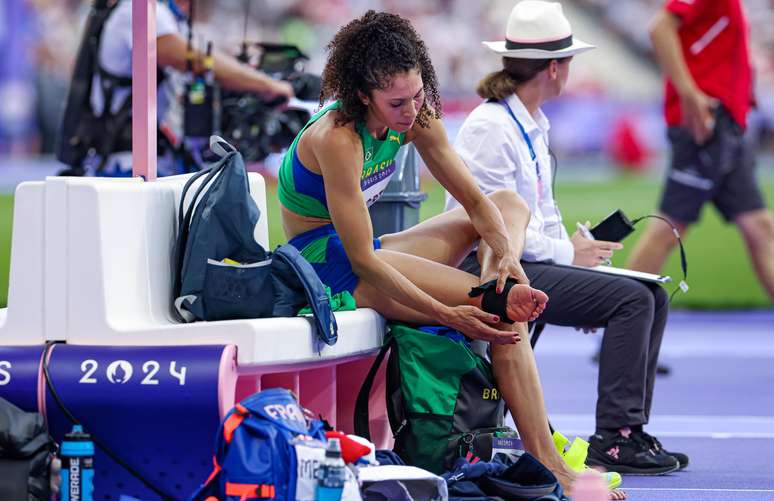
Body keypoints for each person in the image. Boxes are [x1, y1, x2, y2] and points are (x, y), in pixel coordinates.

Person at [275, 9, 617, 497]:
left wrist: (507, 258)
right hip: (326, 266)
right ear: (360, 96)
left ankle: (499, 282)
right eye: (396, 103)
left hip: (367, 251)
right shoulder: (337, 140)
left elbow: (478, 202)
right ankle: (550, 464)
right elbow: (362, 260)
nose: (411, 111)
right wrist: (449, 314)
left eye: (417, 95)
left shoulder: (415, 116)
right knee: (504, 317)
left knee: (508, 204)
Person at [444, 0, 687, 477]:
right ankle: (615, 441)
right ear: (555, 68)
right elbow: (485, 227)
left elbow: (538, 217)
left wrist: (579, 263)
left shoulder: (529, 123)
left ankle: (628, 433)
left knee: (650, 293)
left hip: (521, 262)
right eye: (570, 62)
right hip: (488, 270)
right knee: (634, 301)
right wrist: (566, 254)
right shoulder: (492, 127)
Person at [626, 0, 774, 302]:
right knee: (668, 229)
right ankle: (614, 335)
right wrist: (689, 93)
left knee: (760, 227)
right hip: (705, 126)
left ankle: (613, 334)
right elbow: (660, 28)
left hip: (727, 127)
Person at [84, 0, 293, 175]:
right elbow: (197, 60)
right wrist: (267, 84)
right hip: (128, 165)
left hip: (161, 160)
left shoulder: (170, 17)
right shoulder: (137, 9)